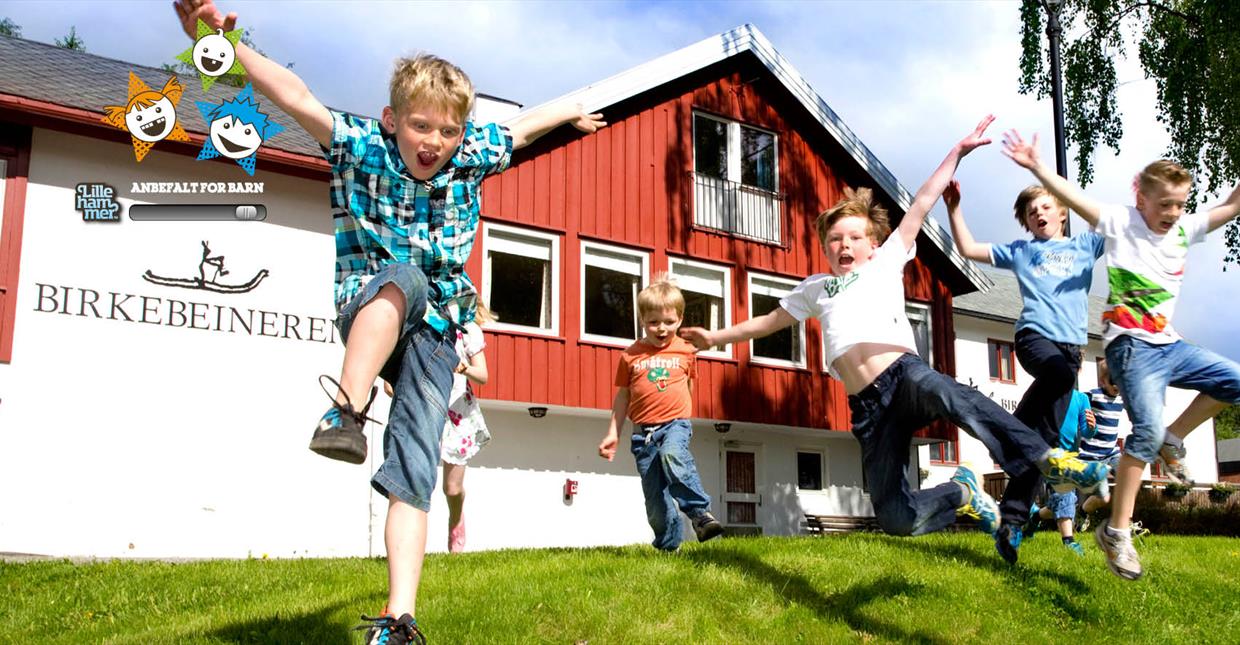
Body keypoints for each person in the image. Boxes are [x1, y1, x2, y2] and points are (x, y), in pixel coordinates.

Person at [174, 1, 604, 640]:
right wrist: (215, 43)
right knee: (405, 276)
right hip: (369, 306)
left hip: (435, 333)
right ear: (392, 120)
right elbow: (292, 94)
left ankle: (398, 619)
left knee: (416, 464)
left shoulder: (471, 152)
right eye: (420, 126)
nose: (433, 143)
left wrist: (570, 111)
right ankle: (344, 412)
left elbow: (520, 127)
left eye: (448, 131)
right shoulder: (361, 146)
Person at [680, 116, 1107, 545]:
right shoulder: (816, 288)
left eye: (853, 238)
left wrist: (957, 152)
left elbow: (922, 201)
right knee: (895, 517)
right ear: (825, 246)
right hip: (868, 409)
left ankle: (1043, 458)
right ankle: (962, 491)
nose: (844, 246)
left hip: (905, 375)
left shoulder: (887, 259)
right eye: (834, 239)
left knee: (947, 392)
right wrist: (714, 339)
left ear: (872, 242)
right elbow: (769, 321)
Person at [1004, 129, 1240, 580]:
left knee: (1233, 382)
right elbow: (1069, 195)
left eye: (1179, 204)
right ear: (1142, 198)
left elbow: (1230, 207)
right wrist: (1035, 166)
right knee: (1143, 434)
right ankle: (1117, 531)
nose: (1172, 213)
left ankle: (1175, 435)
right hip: (1131, 348)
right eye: (1163, 204)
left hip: (1171, 343)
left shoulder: (1186, 227)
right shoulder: (1118, 221)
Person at [944, 174, 1104, 563]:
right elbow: (967, 247)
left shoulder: (1085, 245)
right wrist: (953, 208)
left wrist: (1057, 185)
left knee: (1043, 447)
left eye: (1046, 207)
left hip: (1070, 351)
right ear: (1026, 223)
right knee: (1059, 381)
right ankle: (1013, 428)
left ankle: (1011, 523)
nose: (1039, 214)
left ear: (1063, 213)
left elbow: (1110, 223)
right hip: (1034, 339)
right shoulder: (1021, 251)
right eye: (1031, 212)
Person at [597, 278, 724, 551]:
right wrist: (612, 434)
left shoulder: (686, 351)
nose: (661, 328)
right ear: (642, 319)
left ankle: (700, 513)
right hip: (643, 435)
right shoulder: (631, 355)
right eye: (654, 322)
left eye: (668, 321)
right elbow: (623, 397)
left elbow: (688, 385)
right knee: (655, 500)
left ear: (679, 319)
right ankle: (668, 547)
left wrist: (682, 416)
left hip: (675, 424)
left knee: (672, 455)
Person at [440, 306, 495, 554]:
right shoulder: (422, 324)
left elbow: (482, 375)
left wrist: (464, 368)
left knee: (451, 488)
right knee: (417, 480)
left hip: (456, 413)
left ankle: (456, 520)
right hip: (424, 405)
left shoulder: (468, 330)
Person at [1024, 379, 1096, 557]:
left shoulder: (1081, 399)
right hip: (1043, 450)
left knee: (1063, 498)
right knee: (1065, 495)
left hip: (1068, 455)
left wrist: (1092, 427)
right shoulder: (1046, 391)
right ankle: (1066, 539)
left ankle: (1038, 519)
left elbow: (1086, 431)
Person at [1077, 358, 1124, 522]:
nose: (1117, 387)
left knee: (1128, 479)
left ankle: (1125, 521)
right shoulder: (1093, 396)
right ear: (1103, 381)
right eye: (1114, 382)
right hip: (1091, 457)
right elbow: (1075, 401)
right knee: (1104, 498)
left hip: (1112, 453)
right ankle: (1082, 512)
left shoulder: (1122, 397)